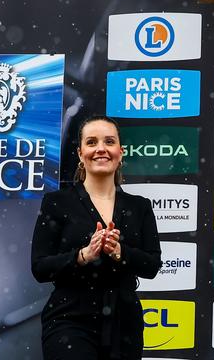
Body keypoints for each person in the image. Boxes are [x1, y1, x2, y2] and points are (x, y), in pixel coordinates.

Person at [31, 115, 162, 360]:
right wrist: (83, 255)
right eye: (91, 142)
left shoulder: (140, 206)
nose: (100, 148)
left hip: (125, 323)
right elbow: (39, 267)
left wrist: (120, 252)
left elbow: (152, 265)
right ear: (80, 153)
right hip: (69, 319)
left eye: (109, 141)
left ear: (120, 152)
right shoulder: (57, 202)